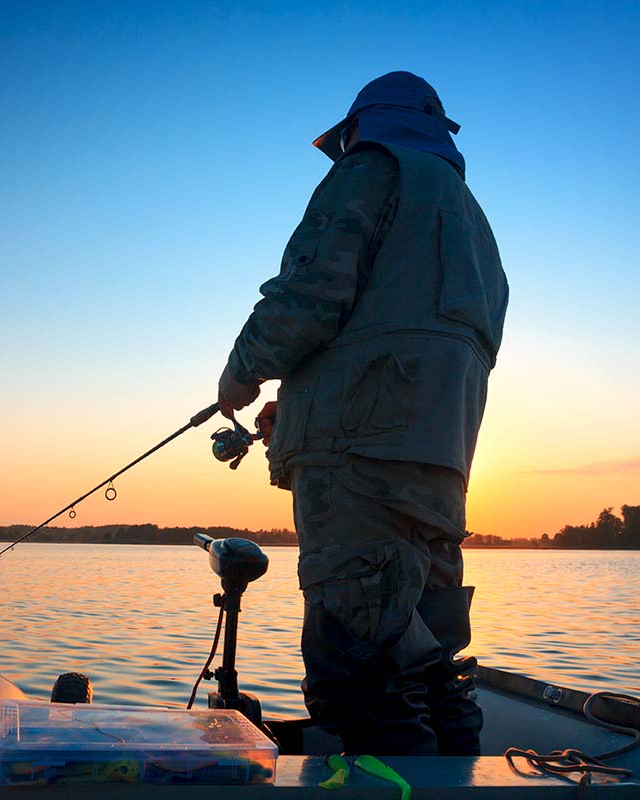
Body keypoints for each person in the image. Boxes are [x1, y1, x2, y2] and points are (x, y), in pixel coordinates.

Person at [216, 71, 508, 756]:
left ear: (358, 130)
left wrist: (243, 368)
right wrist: (296, 412)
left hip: (357, 468)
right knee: (432, 667)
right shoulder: (472, 217)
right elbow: (403, 336)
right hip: (440, 470)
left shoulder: (368, 171)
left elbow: (312, 293)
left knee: (360, 675)